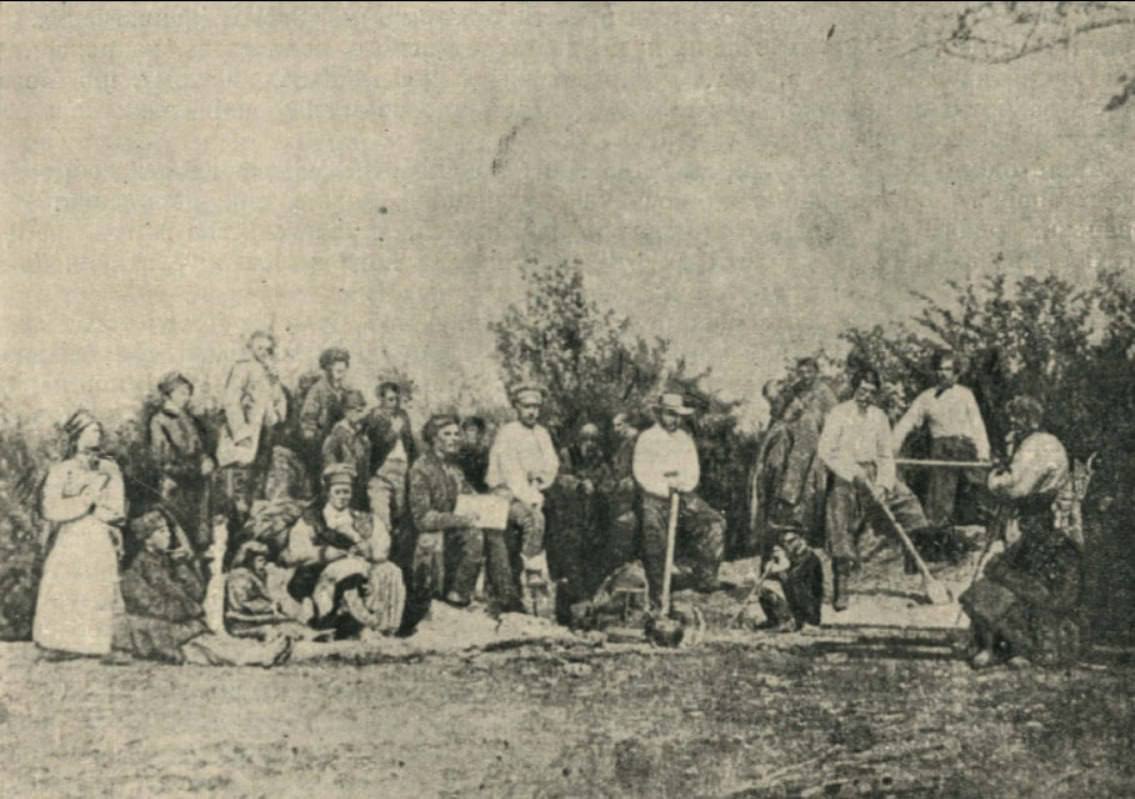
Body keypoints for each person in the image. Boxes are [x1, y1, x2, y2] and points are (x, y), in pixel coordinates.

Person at [960, 396, 1084, 670]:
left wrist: (993, 478)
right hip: (1036, 519)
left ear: (1029, 419)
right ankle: (1002, 647)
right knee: (1018, 580)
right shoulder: (1041, 442)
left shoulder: (1037, 445)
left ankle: (1011, 648)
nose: (1012, 423)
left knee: (1014, 579)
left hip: (1035, 521)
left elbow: (1014, 486)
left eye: (1016, 418)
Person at [817, 368, 933, 611]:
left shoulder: (879, 416)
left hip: (873, 473)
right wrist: (852, 473)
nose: (865, 396)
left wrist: (883, 484)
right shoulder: (839, 413)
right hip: (845, 475)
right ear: (854, 389)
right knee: (840, 524)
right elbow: (826, 451)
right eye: (862, 390)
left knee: (910, 506)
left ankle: (921, 572)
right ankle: (842, 587)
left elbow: (885, 455)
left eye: (871, 392)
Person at [119, 511, 292, 665]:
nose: (169, 535)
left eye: (167, 530)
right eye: (161, 531)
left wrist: (182, 566)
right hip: (162, 632)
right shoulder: (134, 573)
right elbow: (155, 607)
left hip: (185, 626)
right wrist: (190, 609)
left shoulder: (169, 563)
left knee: (213, 643)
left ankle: (263, 652)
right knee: (209, 648)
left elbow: (197, 593)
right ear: (147, 539)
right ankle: (262, 655)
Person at [33, 410, 128, 661]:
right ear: (77, 435)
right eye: (91, 430)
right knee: (65, 583)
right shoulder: (62, 470)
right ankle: (59, 642)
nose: (97, 434)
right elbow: (50, 508)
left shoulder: (109, 468)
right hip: (71, 535)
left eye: (98, 430)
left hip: (99, 534)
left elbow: (117, 508)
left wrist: (102, 512)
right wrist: (85, 500)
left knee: (98, 584)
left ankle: (96, 644)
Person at [632, 393, 726, 605]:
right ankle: (658, 591)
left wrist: (683, 486)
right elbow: (641, 473)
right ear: (659, 414)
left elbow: (693, 471)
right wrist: (664, 488)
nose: (674, 420)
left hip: (683, 495)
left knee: (714, 522)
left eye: (677, 416)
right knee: (654, 533)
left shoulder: (684, 439)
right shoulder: (647, 438)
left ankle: (705, 578)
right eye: (669, 414)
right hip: (654, 497)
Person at [892, 351, 991, 530]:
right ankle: (938, 534)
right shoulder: (926, 397)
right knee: (941, 499)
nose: (942, 373)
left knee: (976, 493)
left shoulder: (965, 395)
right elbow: (907, 422)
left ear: (956, 373)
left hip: (967, 449)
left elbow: (978, 426)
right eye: (939, 369)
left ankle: (976, 531)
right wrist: (892, 448)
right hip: (942, 450)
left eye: (947, 369)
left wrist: (983, 452)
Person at [404, 413, 485, 625]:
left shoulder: (454, 467)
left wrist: (490, 501)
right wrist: (460, 519)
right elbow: (423, 518)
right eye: (447, 434)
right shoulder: (421, 468)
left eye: (457, 434)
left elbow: (468, 495)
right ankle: (448, 599)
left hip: (451, 530)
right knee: (471, 535)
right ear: (434, 438)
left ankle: (468, 596)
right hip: (426, 535)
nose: (454, 439)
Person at [485, 383, 559, 610]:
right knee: (533, 519)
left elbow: (551, 465)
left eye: (536, 407)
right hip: (504, 493)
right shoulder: (508, 433)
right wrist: (532, 498)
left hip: (533, 490)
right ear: (517, 407)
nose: (532, 412)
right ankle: (532, 570)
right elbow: (511, 473)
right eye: (527, 407)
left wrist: (540, 478)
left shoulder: (542, 434)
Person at [215, 331, 288, 519]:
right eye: (259, 348)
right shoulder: (242, 368)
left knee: (260, 475)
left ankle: (253, 515)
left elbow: (277, 397)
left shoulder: (269, 370)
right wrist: (241, 433)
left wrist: (278, 413)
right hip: (245, 432)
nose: (263, 352)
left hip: (264, 429)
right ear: (250, 348)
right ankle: (235, 518)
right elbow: (231, 401)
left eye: (267, 349)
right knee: (239, 477)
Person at [548, 422, 615, 620]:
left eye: (593, 439)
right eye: (585, 439)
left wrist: (598, 487)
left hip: (592, 519)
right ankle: (567, 610)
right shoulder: (567, 454)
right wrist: (579, 485)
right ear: (578, 439)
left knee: (591, 558)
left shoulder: (600, 460)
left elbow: (609, 484)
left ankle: (585, 608)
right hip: (567, 517)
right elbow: (559, 478)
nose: (589, 443)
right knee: (569, 561)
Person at [149, 371, 215, 551]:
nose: (186, 397)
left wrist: (206, 459)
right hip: (178, 487)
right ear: (169, 394)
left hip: (199, 487)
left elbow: (199, 448)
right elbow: (164, 462)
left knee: (201, 538)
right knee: (181, 537)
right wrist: (196, 469)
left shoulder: (189, 418)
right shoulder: (159, 421)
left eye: (188, 393)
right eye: (182, 393)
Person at [773, 358, 837, 542]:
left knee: (811, 477)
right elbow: (783, 416)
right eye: (802, 373)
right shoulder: (796, 390)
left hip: (818, 442)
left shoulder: (825, 393)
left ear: (816, 372)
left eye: (809, 372)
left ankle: (800, 516)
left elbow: (834, 422)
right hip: (795, 440)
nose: (806, 376)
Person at [224, 539, 313, 642]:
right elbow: (244, 603)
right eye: (260, 560)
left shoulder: (256, 574)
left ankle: (312, 636)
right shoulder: (240, 577)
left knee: (291, 622)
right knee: (281, 628)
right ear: (249, 560)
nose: (264, 564)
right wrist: (269, 606)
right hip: (242, 622)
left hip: (256, 617)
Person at [366, 381, 417, 532]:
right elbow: (376, 445)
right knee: (382, 510)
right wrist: (393, 431)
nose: (394, 403)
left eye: (396, 399)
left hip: (402, 466)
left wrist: (413, 464)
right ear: (381, 399)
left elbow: (410, 442)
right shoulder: (374, 416)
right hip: (383, 467)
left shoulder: (403, 415)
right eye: (390, 399)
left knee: (401, 509)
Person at [757, 527, 824, 632]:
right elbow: (768, 575)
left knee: (795, 585)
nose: (787, 545)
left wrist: (782, 565)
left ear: (801, 539)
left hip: (808, 604)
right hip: (794, 598)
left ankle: (807, 622)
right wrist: (771, 565)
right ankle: (776, 620)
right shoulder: (788, 554)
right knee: (764, 587)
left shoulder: (808, 556)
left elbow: (794, 576)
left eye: (791, 541)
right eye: (784, 542)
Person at [299, 347, 351, 480]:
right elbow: (308, 418)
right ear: (328, 370)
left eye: (344, 371)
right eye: (338, 371)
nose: (341, 375)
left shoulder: (345, 390)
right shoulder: (318, 390)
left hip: (340, 439)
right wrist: (312, 435)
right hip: (320, 441)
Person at [321, 389, 371, 510]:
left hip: (361, 485)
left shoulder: (361, 431)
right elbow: (328, 455)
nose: (357, 413)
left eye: (360, 410)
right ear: (345, 411)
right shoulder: (338, 432)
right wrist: (336, 468)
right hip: (343, 485)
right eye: (353, 409)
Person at [456, 416, 490, 494]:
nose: (475, 434)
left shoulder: (487, 453)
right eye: (470, 430)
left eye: (477, 431)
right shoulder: (459, 453)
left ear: (481, 433)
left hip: (484, 491)